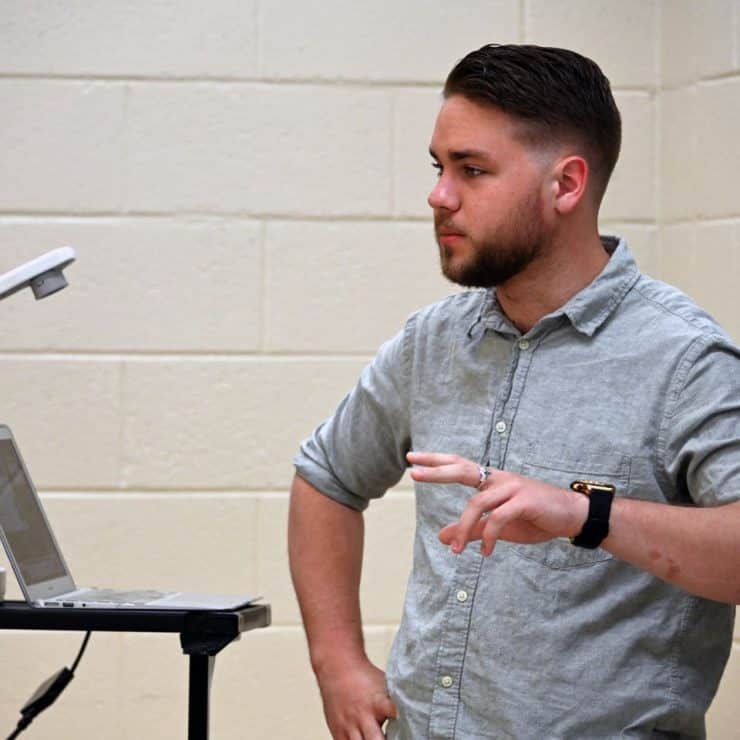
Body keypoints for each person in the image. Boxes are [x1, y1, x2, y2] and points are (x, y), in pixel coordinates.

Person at [288, 44, 740, 739]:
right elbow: (325, 479)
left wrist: (581, 514)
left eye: (472, 170)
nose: (440, 196)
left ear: (566, 185)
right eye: (439, 168)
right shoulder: (430, 342)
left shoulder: (684, 358)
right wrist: (338, 663)